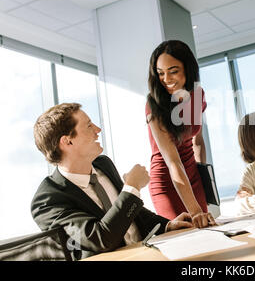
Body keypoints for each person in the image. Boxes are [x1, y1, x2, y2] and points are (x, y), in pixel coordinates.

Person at [31, 103, 193, 260]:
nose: (97, 130)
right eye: (88, 126)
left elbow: (132, 213)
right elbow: (100, 239)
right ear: (67, 141)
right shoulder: (47, 200)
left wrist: (167, 225)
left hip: (148, 253)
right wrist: (131, 188)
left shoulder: (104, 165)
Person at [145, 40, 215, 228]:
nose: (166, 79)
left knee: (207, 230)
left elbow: (197, 141)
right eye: (160, 73)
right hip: (167, 180)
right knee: (185, 235)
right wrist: (195, 210)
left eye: (173, 71)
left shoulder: (197, 96)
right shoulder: (154, 105)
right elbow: (173, 162)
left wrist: (203, 179)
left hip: (193, 175)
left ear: (188, 68)